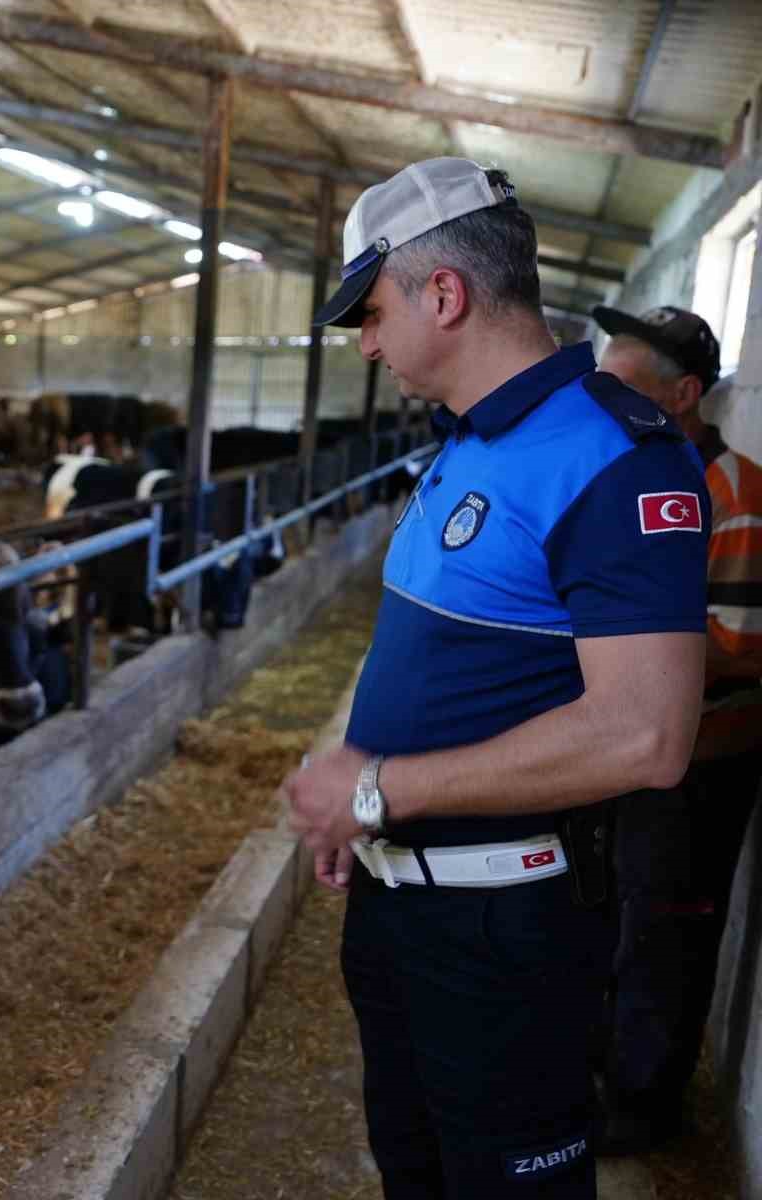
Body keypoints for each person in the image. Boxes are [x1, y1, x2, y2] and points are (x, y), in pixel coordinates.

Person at [284, 156, 710, 1200]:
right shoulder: (468, 444)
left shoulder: (617, 459)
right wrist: (368, 806)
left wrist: (379, 789)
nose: (368, 343)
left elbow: (646, 737)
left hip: (504, 928)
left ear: (444, 293)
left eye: (372, 313)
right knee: (415, 1167)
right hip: (399, 907)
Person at [592, 305, 762, 1153]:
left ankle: (644, 1108)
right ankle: (605, 1076)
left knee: (665, 928)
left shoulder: (738, 495)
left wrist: (622, 653)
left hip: (699, 762)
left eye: (620, 391)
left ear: (685, 394)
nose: (600, 407)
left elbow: (738, 646)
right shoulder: (628, 476)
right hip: (620, 748)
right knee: (615, 912)